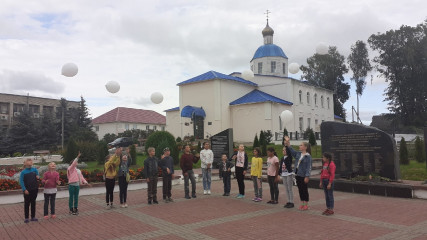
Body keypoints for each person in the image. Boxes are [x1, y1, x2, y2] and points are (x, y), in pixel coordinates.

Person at [284, 136, 312, 211]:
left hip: (303, 175)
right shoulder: (298, 154)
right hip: (297, 174)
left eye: (301, 145)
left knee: (304, 189)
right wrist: (287, 142)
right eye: (300, 145)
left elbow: (309, 167)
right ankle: (302, 203)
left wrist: (307, 176)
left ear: (305, 147)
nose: (299, 146)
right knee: (300, 189)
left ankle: (306, 204)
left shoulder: (308, 156)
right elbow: (291, 150)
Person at [19, 158, 40, 223]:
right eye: (29, 162)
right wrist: (24, 189)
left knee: (33, 203)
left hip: (34, 189)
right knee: (27, 203)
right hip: (27, 190)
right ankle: (26, 217)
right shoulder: (23, 172)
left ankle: (33, 217)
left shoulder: (34, 170)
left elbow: (38, 177)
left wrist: (38, 177)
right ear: (25, 164)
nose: (30, 164)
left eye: (31, 162)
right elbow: (21, 181)